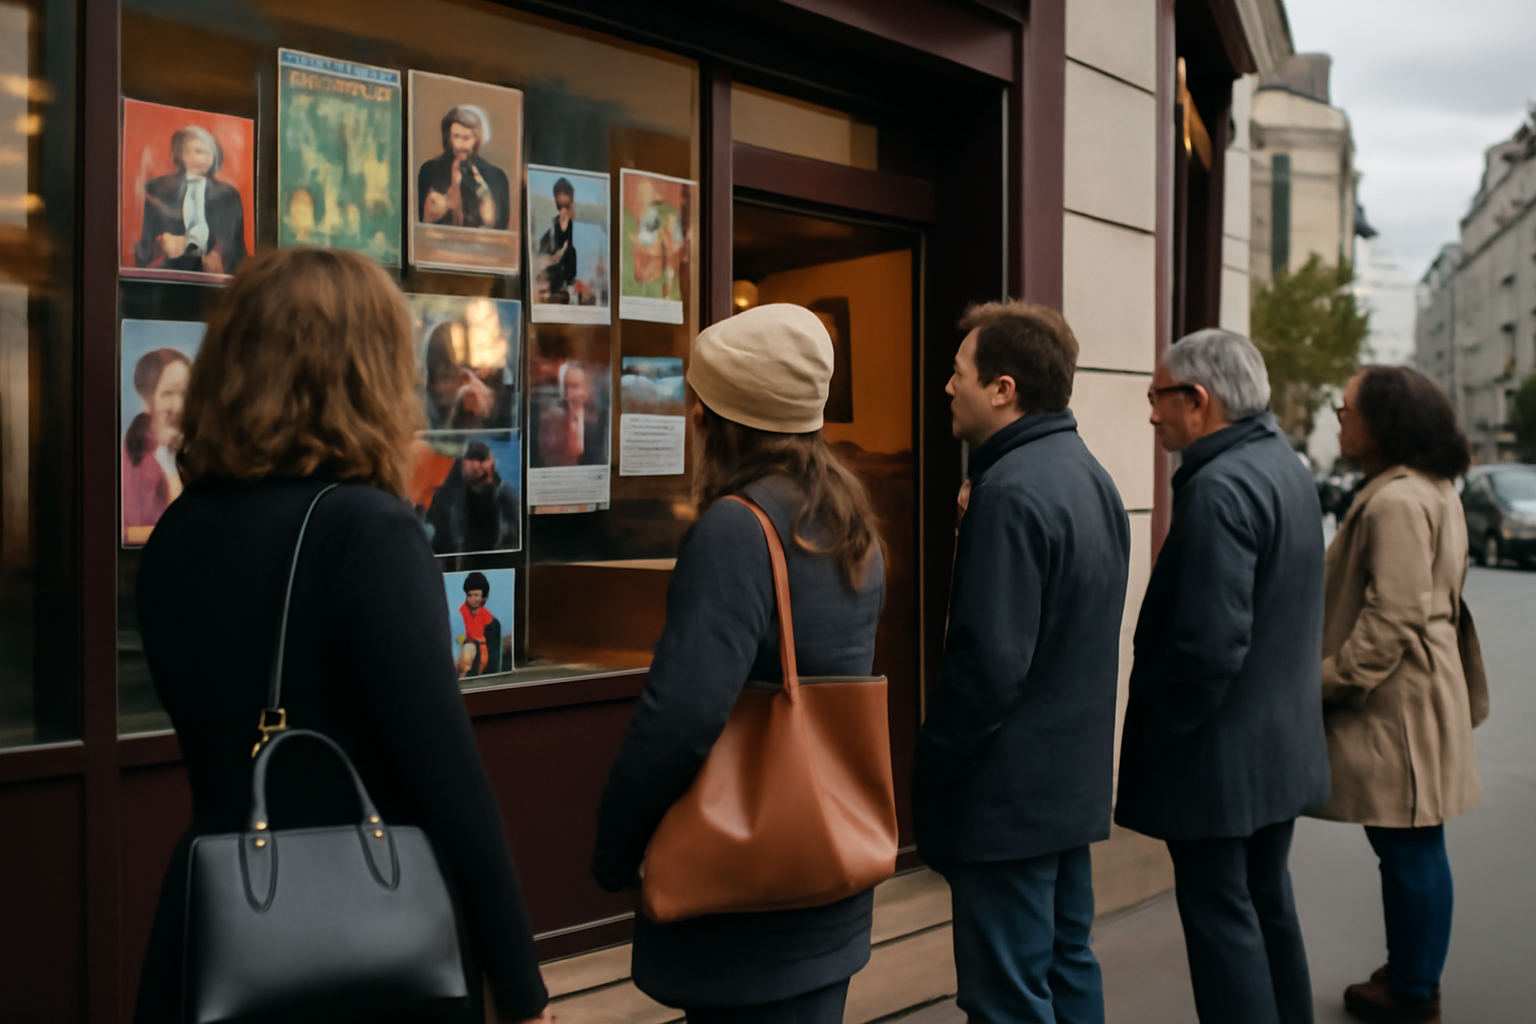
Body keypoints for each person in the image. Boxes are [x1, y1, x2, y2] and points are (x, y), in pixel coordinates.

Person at [131, 248, 550, 1024]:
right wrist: (522, 990)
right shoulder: (367, 531)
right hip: (364, 940)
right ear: (365, 374)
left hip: (221, 932)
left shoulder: (178, 530)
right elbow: (450, 784)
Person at [592, 303, 885, 1024]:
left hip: (749, 900)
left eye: (702, 406)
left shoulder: (736, 529)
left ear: (721, 422)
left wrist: (615, 845)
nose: (693, 417)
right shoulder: (846, 520)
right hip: (825, 882)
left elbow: (682, 717)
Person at [913, 301, 1130, 1024]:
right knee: (1069, 968)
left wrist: (931, 769)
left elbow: (987, 666)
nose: (947, 386)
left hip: (1006, 799)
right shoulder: (1089, 475)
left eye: (958, 373)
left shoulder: (1010, 491)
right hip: (1066, 791)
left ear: (1003, 389)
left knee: (1006, 997)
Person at [1115, 328, 1331, 1024]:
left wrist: (1168, 732)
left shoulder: (1219, 490)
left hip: (1219, 760)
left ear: (1198, 400)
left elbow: (1208, 647)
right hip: (1276, 749)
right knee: (1267, 902)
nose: (1152, 414)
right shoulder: (1285, 467)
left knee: (1222, 920)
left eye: (1157, 397)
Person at [1315, 366, 1482, 1024]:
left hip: (1400, 703)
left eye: (1347, 407)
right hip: (1415, 694)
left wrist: (1328, 680)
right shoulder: (1424, 488)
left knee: (1408, 844)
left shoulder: (1397, 500)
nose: (1338, 417)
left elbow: (1393, 618)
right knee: (1410, 841)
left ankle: (1414, 992)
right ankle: (1413, 970)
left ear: (1384, 422)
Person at [134, 124, 246, 275]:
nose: (200, 158)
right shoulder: (158, 189)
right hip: (169, 276)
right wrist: (161, 248)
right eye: (194, 151)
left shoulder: (229, 196)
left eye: (206, 152)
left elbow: (237, 250)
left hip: (212, 279)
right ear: (181, 155)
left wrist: (222, 260)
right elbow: (146, 246)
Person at [122, 347, 192, 544]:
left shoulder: (194, 455)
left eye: (185, 393)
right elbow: (120, 534)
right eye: (167, 393)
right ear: (147, 398)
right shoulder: (132, 461)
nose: (177, 406)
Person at [418, 106, 511, 230]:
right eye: (456, 136)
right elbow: (420, 223)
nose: (460, 145)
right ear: (449, 137)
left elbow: (501, 228)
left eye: (466, 138)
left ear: (478, 139)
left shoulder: (497, 177)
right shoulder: (430, 170)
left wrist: (488, 214)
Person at [426, 441, 521, 555]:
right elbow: (438, 542)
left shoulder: (504, 497)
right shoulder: (445, 498)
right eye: (471, 460)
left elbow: (514, 537)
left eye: (482, 460)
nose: (477, 467)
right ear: (461, 465)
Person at [534, 360, 607, 467]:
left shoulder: (600, 420)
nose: (568, 393)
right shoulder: (550, 420)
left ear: (587, 389)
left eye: (575, 386)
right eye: (566, 386)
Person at [536, 176, 579, 302]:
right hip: (552, 289)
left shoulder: (575, 231)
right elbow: (541, 261)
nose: (563, 211)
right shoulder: (548, 234)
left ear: (571, 202)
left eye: (566, 206)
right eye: (560, 206)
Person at [456, 571, 503, 679]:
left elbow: (494, 661)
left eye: (476, 595)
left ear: (484, 597)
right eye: (469, 595)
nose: (473, 599)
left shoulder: (492, 624)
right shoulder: (458, 617)